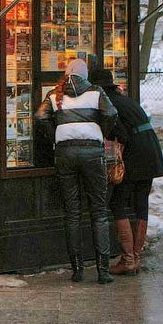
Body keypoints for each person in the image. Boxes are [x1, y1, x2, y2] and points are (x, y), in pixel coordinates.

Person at [35, 59, 118, 284]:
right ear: (85, 75)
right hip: (92, 153)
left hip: (65, 154)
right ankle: (103, 271)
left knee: (72, 212)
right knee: (99, 211)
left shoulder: (55, 94)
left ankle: (78, 269)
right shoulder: (95, 92)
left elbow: (40, 116)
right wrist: (100, 132)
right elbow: (111, 114)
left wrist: (56, 135)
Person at [89, 69, 163, 276]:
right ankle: (136, 257)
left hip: (136, 154)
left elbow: (122, 133)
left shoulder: (108, 104)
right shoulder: (124, 99)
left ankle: (128, 259)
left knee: (117, 202)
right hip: (150, 150)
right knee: (141, 203)